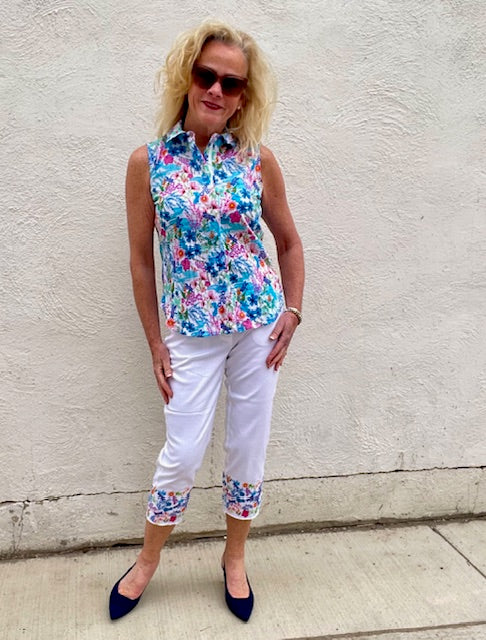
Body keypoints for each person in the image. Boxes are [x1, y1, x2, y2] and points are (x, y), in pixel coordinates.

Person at [109, 19, 304, 623]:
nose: (217, 90)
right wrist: (155, 343)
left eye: (232, 83)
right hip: (188, 333)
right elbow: (142, 262)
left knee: (247, 447)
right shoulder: (148, 163)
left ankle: (234, 557)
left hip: (257, 330)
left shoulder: (257, 161)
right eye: (206, 75)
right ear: (187, 78)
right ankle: (147, 560)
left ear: (244, 96)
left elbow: (289, 244)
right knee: (183, 453)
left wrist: (292, 311)